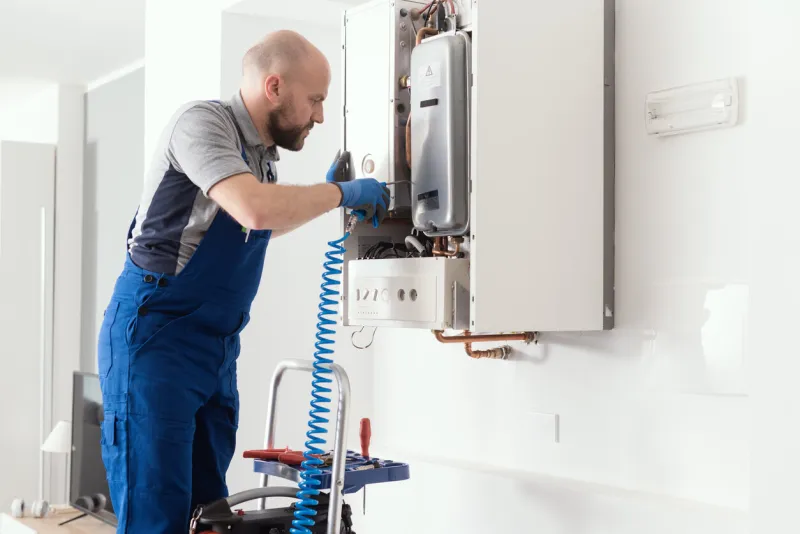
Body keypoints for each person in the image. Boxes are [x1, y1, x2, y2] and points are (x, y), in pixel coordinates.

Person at [96, 30, 389, 534]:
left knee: (208, 518)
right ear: (274, 87)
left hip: (214, 350)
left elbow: (261, 222)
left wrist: (327, 199)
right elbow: (254, 211)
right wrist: (337, 193)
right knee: (156, 514)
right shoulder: (202, 125)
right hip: (154, 344)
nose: (320, 115)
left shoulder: (261, 160)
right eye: (315, 99)